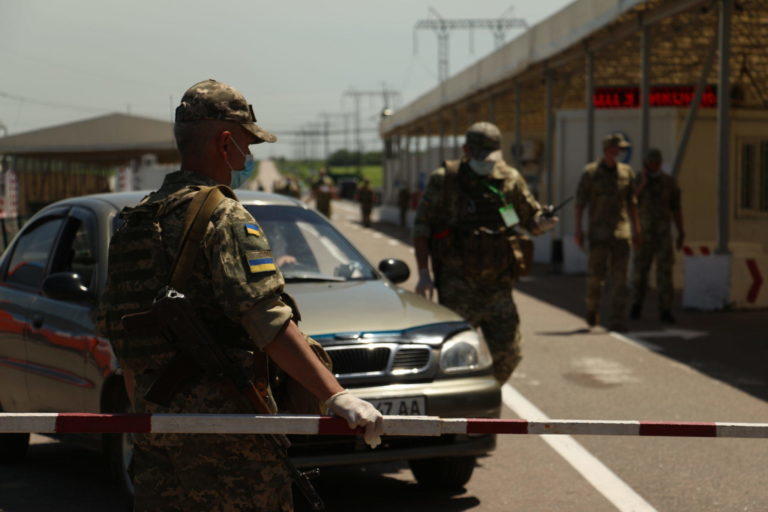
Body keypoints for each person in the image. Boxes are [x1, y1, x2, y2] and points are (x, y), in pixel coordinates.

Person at [96, 79, 382, 512]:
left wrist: (145, 418)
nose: (247, 157)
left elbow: (124, 335)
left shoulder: (135, 221)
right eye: (246, 144)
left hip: (157, 433)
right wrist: (335, 395)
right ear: (225, 142)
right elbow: (267, 319)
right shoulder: (224, 216)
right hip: (229, 431)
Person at [413, 122, 558, 384]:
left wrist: (543, 223)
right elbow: (422, 226)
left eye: (491, 155)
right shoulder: (445, 180)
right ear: (466, 150)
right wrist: (424, 273)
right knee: (448, 359)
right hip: (457, 286)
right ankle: (460, 415)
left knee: (508, 354)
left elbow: (528, 220)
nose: (486, 162)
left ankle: (485, 397)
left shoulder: (509, 179)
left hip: (498, 287)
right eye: (481, 155)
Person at [574, 133, 642, 332]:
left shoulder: (626, 172)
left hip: (621, 233)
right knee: (596, 278)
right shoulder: (591, 172)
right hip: (598, 233)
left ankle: (618, 319)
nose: (618, 152)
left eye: (620, 149)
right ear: (607, 149)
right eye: (615, 148)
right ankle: (592, 308)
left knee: (621, 280)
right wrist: (578, 230)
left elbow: (632, 204)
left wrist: (637, 230)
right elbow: (580, 203)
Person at [630, 148, 685, 323]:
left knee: (665, 273)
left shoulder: (669, 182)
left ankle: (665, 309)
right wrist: (643, 184)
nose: (653, 166)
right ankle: (636, 306)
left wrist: (681, 231)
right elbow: (629, 202)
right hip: (643, 234)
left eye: (655, 163)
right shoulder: (638, 180)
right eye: (649, 163)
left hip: (663, 235)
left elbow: (676, 208)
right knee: (640, 272)